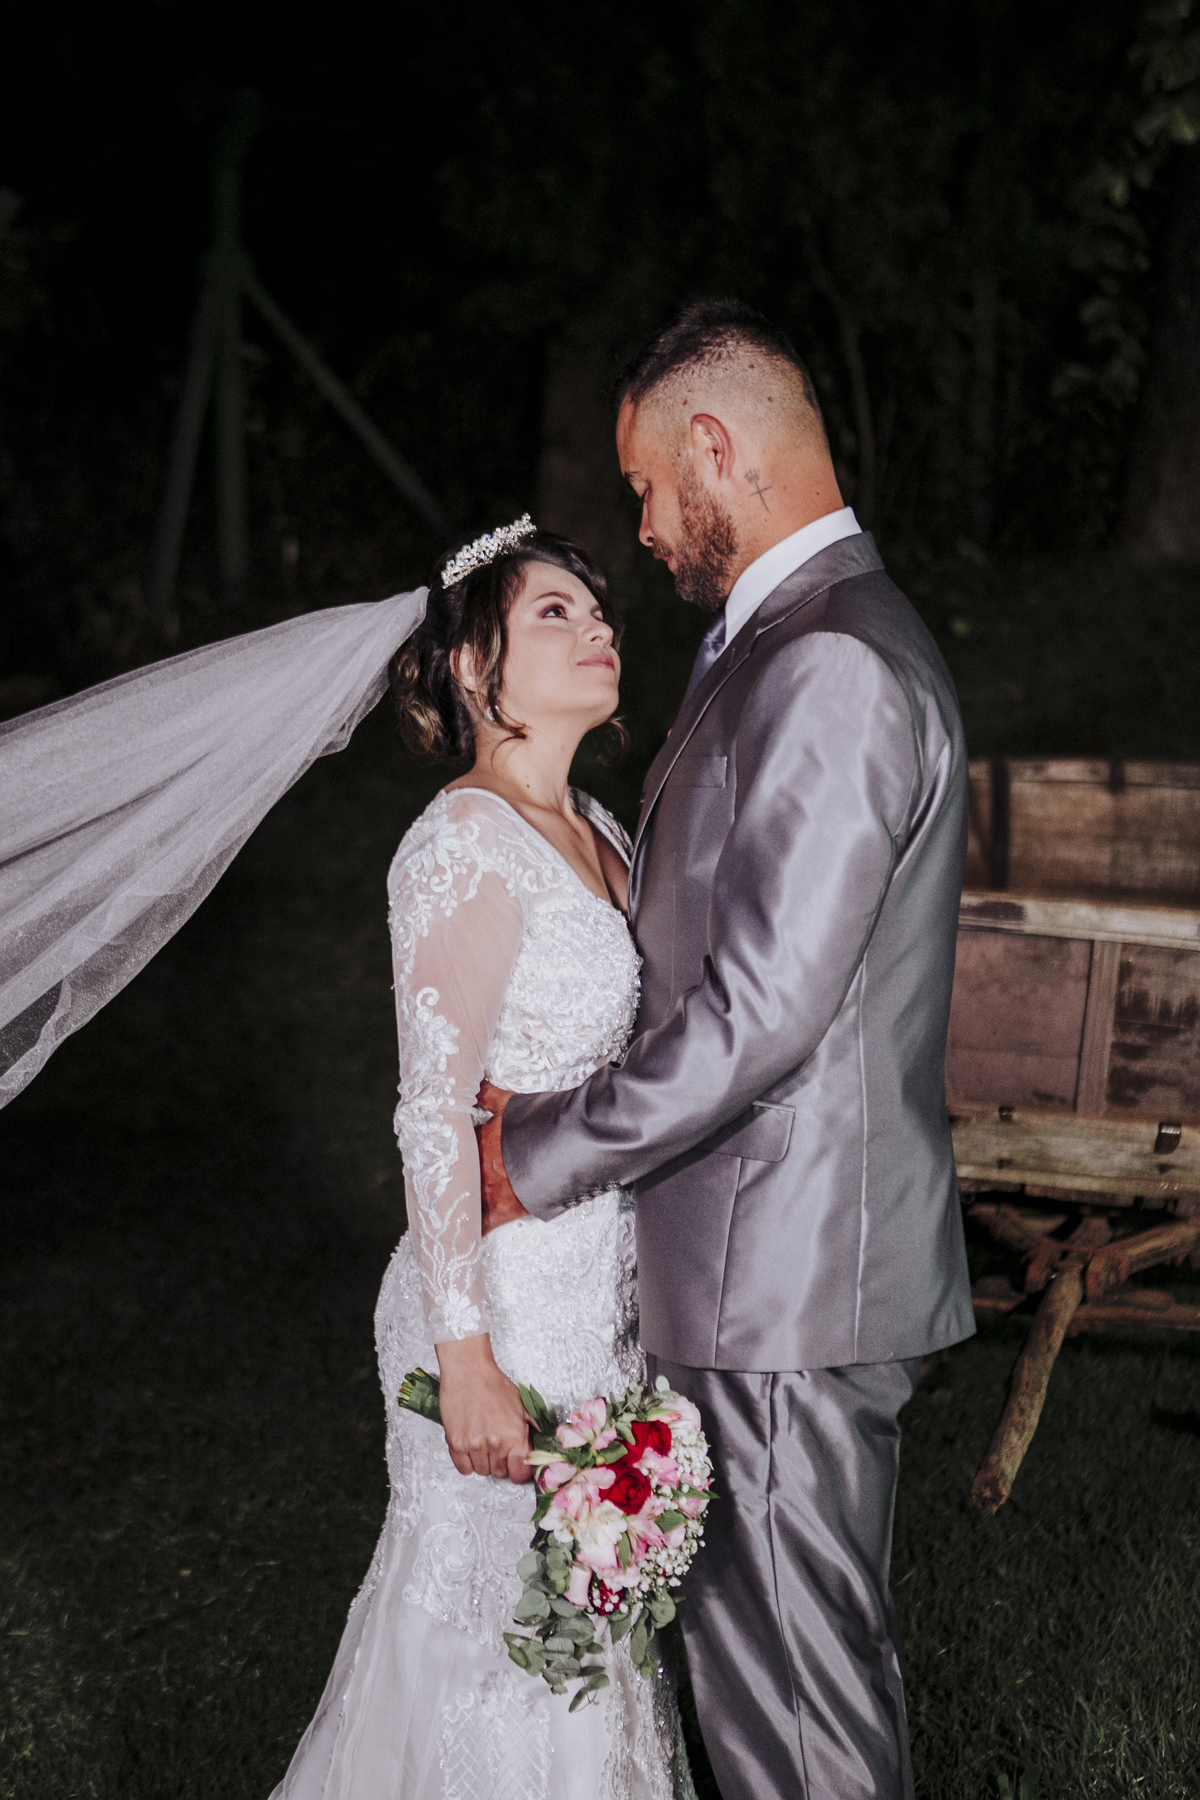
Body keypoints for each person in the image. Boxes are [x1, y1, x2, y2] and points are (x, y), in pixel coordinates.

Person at [477, 299, 977, 1800]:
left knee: (800, 1715)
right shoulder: (789, 641)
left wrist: (535, 1152)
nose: (639, 527)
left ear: (715, 446)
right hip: (763, 1272)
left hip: (784, 1285)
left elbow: (762, 1014)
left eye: (645, 486)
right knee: (776, 1697)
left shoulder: (829, 665)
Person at [270, 521, 694, 1800]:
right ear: (471, 667)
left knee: (585, 1649)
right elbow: (430, 1111)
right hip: (498, 1312)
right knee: (490, 1661)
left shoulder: (602, 829)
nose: (600, 624)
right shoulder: (462, 843)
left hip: (598, 1308)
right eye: (555, 611)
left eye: (598, 606)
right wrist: (466, 1358)